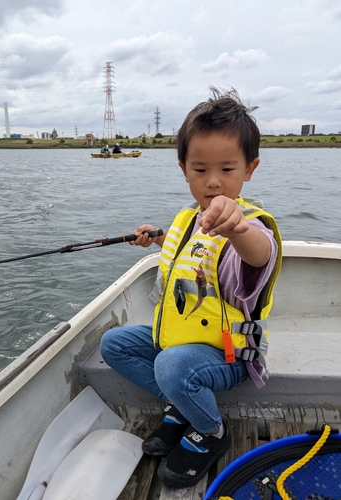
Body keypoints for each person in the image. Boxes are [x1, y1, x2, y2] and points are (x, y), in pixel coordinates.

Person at [100, 87, 282, 488]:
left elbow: (258, 254)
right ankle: (181, 405)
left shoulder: (251, 227)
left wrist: (235, 226)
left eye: (228, 169)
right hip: (176, 340)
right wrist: (157, 235)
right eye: (200, 170)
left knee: (171, 366)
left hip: (228, 356)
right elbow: (190, 246)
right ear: (183, 168)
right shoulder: (187, 217)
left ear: (249, 169)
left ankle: (212, 432)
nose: (213, 182)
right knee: (114, 344)